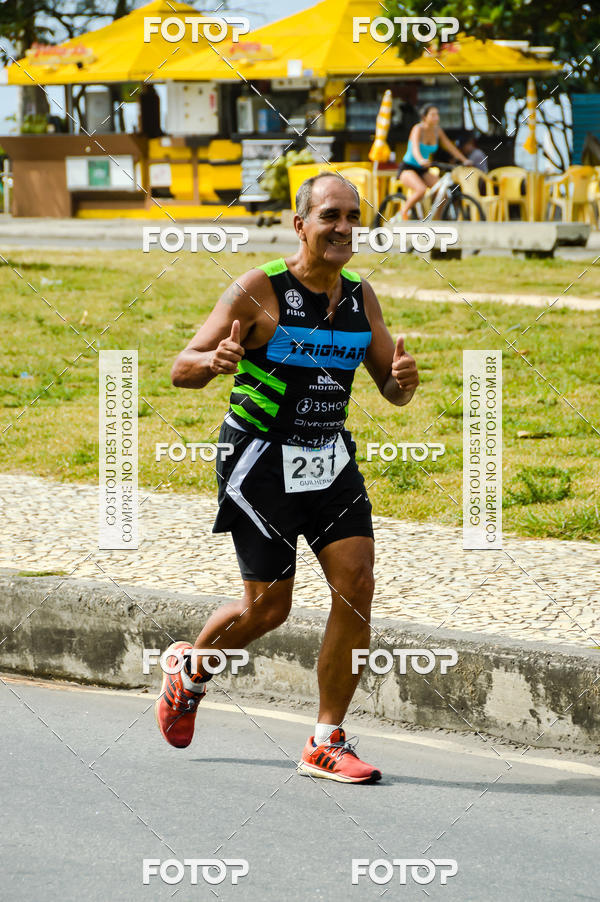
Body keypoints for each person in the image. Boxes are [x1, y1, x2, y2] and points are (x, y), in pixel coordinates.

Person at [156, 172, 419, 784]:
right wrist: (214, 362)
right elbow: (180, 368)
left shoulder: (360, 296)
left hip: (330, 462)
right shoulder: (259, 290)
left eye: (354, 216)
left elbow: (389, 388)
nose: (345, 228)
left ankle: (325, 740)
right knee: (268, 609)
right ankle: (191, 669)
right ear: (300, 224)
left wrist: (402, 381)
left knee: (357, 584)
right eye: (331, 216)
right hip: (259, 464)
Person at [398, 103, 468, 219]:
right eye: (433, 115)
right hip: (408, 168)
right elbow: (415, 148)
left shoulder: (437, 130)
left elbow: (449, 147)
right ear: (424, 117)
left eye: (437, 114)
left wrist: (464, 160)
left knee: (443, 193)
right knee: (421, 190)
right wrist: (420, 159)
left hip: (423, 169)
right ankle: (403, 212)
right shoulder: (418, 129)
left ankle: (436, 220)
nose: (436, 117)